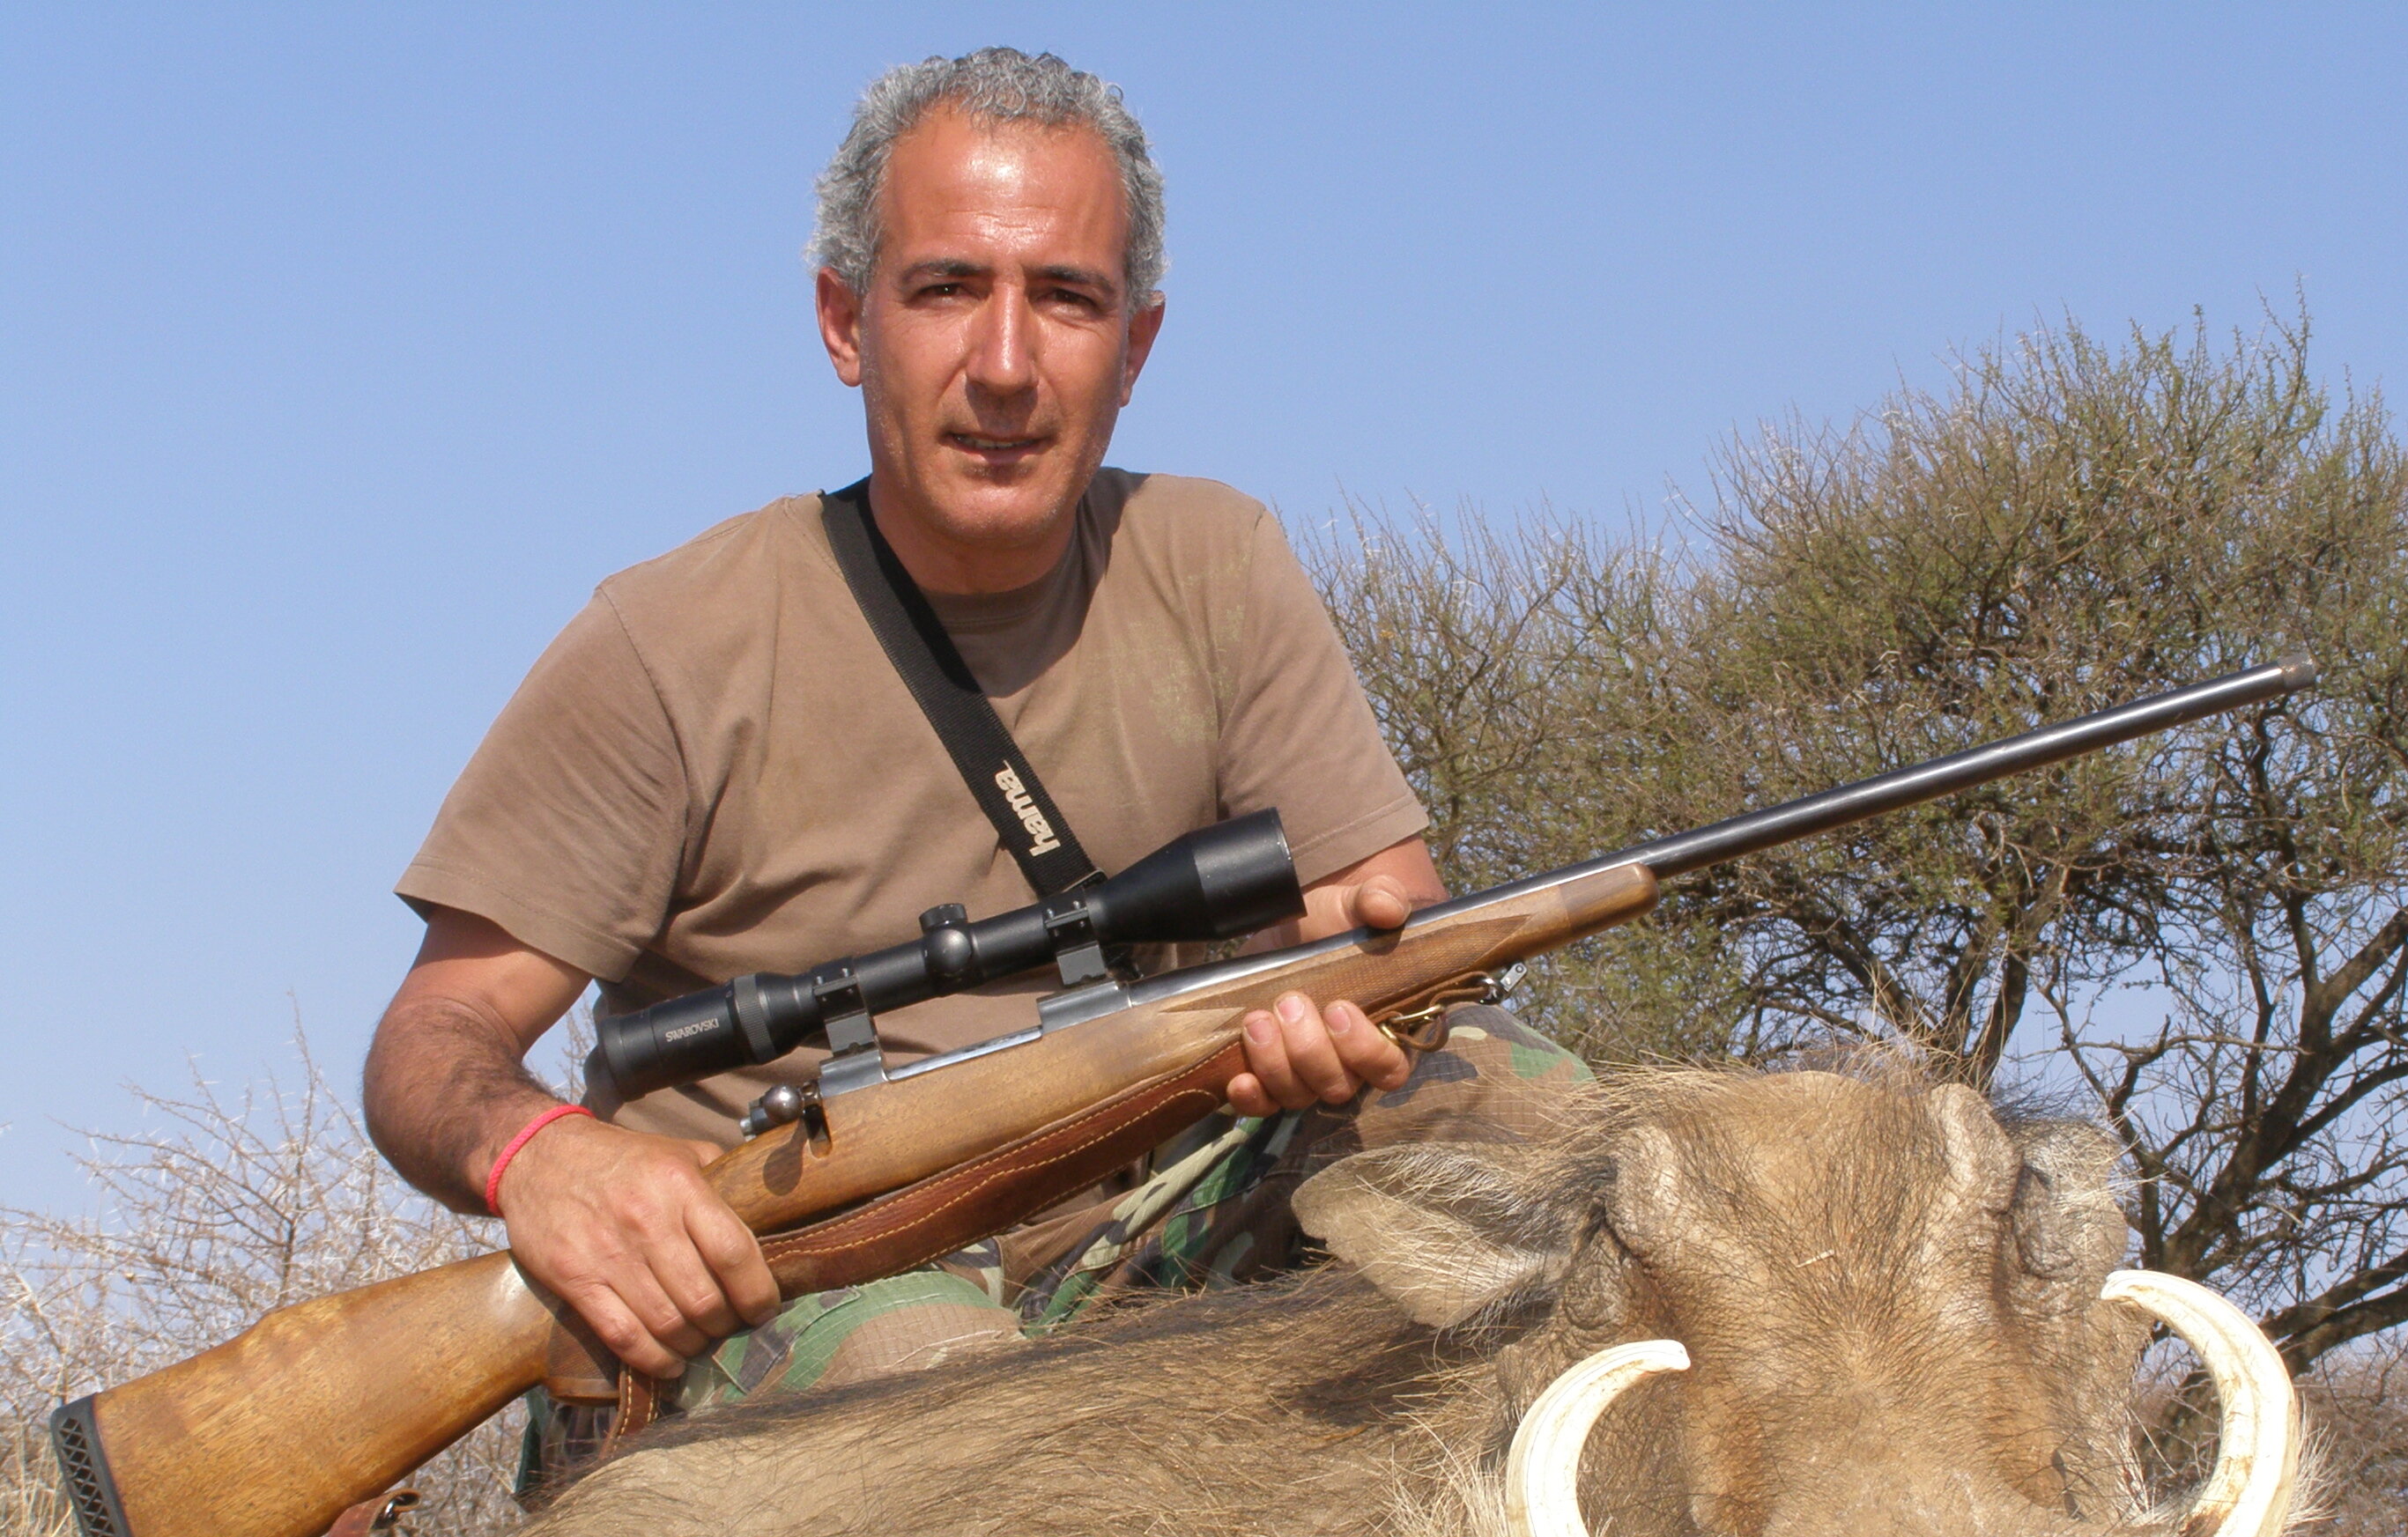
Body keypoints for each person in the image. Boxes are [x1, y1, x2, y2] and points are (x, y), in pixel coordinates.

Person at [365, 50, 1589, 1449]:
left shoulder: (1217, 560)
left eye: (1066, 299)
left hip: (1140, 1216)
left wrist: (1335, 1022)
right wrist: (541, 1158)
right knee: (961, 1398)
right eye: (947, 288)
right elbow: (427, 1043)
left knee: (1524, 1103)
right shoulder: (667, 640)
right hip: (806, 1267)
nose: (1004, 365)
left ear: (1135, 345)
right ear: (844, 323)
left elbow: (1399, 933)